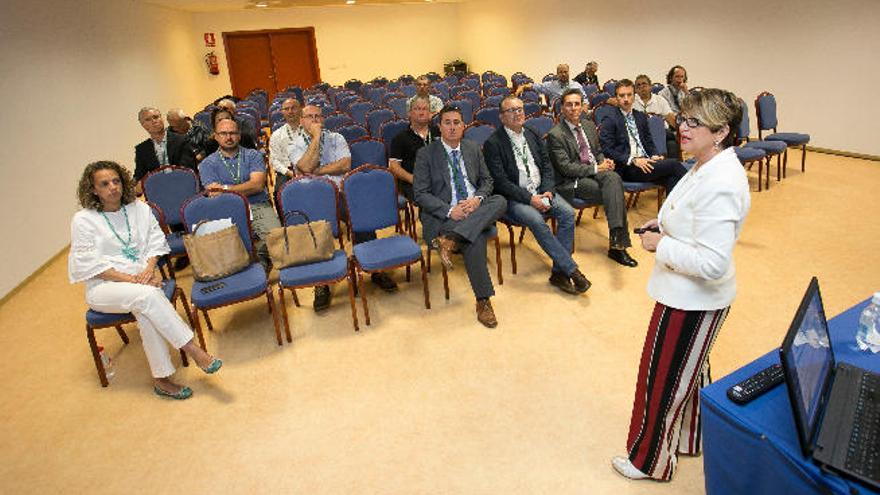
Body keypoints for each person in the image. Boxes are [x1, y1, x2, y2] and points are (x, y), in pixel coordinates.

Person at [612, 88, 750, 481]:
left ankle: (649, 462)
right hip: (687, 296)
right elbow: (692, 215)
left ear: (721, 131)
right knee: (688, 372)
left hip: (693, 300)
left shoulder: (722, 181)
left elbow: (711, 261)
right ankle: (688, 439)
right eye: (683, 119)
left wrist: (663, 244)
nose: (682, 128)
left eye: (694, 122)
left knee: (663, 381)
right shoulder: (705, 163)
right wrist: (665, 224)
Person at [68, 161, 222, 400]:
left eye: (116, 181)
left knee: (146, 307)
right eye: (104, 184)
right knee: (149, 296)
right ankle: (193, 349)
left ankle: (162, 380)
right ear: (93, 189)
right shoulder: (84, 220)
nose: (113, 188)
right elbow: (91, 266)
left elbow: (155, 242)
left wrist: (150, 270)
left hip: (142, 281)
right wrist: (134, 280)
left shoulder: (138, 208)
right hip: (105, 287)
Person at [290, 104, 398, 309]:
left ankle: (375, 270)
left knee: (362, 216)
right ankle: (321, 284)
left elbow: (345, 165)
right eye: (309, 117)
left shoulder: (336, 138)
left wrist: (317, 169)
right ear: (302, 121)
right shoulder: (295, 143)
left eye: (318, 117)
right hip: (315, 196)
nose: (314, 121)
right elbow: (304, 167)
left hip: (341, 191)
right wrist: (315, 138)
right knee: (317, 231)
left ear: (323, 119)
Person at [483, 96, 591, 294]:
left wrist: (548, 190)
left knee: (567, 213)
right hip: (516, 198)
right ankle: (572, 271)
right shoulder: (494, 143)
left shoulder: (532, 132)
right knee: (536, 219)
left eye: (520, 109)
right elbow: (501, 182)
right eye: (511, 111)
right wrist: (530, 199)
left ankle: (559, 272)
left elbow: (547, 166)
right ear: (501, 117)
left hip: (542, 190)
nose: (517, 113)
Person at [413, 105, 507, 328]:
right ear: (440, 126)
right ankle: (483, 301)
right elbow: (420, 194)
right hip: (444, 215)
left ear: (463, 126)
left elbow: (487, 182)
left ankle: (451, 240)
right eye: (447, 122)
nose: (453, 127)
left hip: (474, 209)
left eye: (457, 122)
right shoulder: (426, 154)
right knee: (475, 237)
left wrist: (477, 200)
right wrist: (450, 210)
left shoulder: (473, 148)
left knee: (500, 200)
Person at [546, 89, 638, 267]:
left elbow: (597, 152)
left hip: (595, 171)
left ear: (582, 107)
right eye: (569, 105)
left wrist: (605, 162)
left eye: (577, 104)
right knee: (615, 192)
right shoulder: (556, 134)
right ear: (562, 109)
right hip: (571, 181)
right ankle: (618, 246)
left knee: (613, 179)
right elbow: (566, 168)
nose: (573, 108)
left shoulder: (588, 125)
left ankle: (617, 240)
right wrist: (597, 167)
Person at [198, 118, 280, 274]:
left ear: (239, 135)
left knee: (276, 237)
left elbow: (257, 185)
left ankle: (261, 256)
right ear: (215, 136)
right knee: (225, 252)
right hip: (226, 210)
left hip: (257, 204)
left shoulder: (253, 155)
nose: (228, 137)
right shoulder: (207, 164)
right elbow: (214, 194)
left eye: (233, 133)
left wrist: (225, 188)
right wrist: (243, 188)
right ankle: (256, 259)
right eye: (223, 133)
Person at [599, 79, 687, 192]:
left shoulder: (640, 116)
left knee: (671, 178)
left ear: (634, 96)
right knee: (674, 165)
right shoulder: (610, 119)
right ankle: (700, 194)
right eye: (622, 95)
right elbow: (607, 149)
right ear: (616, 97)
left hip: (646, 162)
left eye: (629, 95)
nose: (626, 99)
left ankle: (674, 209)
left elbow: (648, 141)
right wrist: (633, 160)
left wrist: (654, 154)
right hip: (627, 167)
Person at [133, 107, 196, 194]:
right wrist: (136, 184)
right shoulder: (141, 149)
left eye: (156, 117)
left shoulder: (181, 140)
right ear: (143, 125)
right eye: (148, 120)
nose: (154, 121)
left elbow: (187, 169)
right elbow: (139, 175)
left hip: (183, 187)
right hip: (158, 192)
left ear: (161, 119)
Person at [388, 95, 440, 201]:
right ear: (409, 113)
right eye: (417, 109)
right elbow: (394, 167)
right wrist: (412, 179)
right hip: (414, 183)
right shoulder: (399, 138)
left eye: (425, 109)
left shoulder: (439, 132)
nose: (421, 112)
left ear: (430, 114)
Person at [633, 75, 680, 160]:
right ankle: (658, 156)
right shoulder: (632, 100)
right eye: (638, 85)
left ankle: (670, 165)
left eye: (644, 84)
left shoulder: (660, 100)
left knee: (672, 143)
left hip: (661, 132)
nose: (641, 87)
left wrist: (678, 132)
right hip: (640, 133)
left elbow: (671, 119)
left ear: (650, 86)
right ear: (635, 89)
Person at [267, 97, 303, 189]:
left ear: (300, 110)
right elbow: (274, 160)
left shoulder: (310, 130)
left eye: (293, 108)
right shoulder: (276, 135)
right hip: (288, 171)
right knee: (279, 192)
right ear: (282, 112)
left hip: (311, 168)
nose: (290, 111)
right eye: (286, 109)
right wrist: (290, 173)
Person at [515, 64, 585, 103]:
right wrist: (522, 87)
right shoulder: (550, 85)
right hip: (558, 116)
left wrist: (585, 105)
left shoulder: (576, 86)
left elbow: (585, 99)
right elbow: (535, 86)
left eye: (565, 72)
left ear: (569, 72)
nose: (563, 74)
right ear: (557, 74)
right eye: (560, 72)